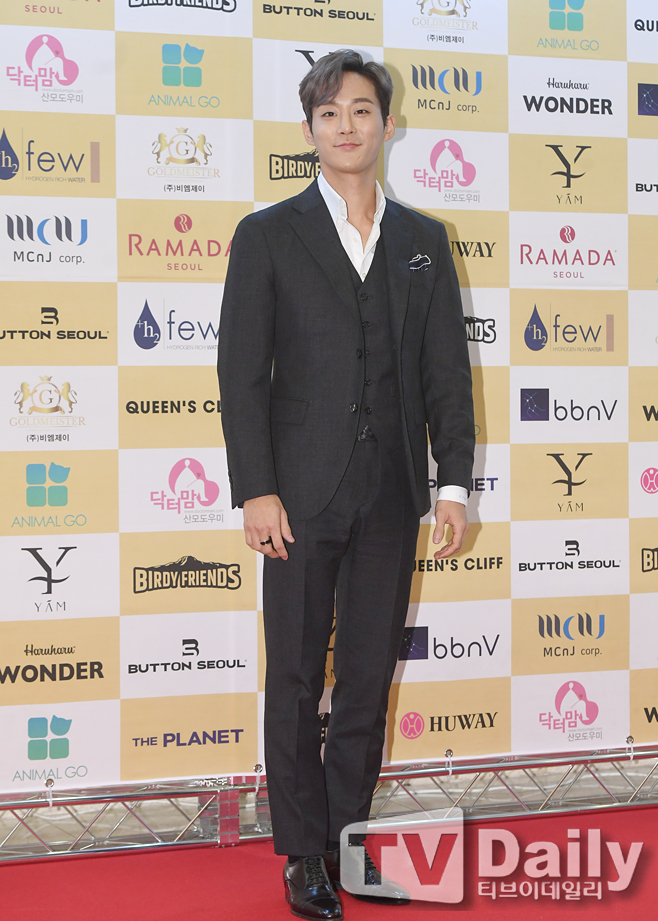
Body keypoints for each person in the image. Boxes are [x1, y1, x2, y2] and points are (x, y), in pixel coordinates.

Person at [217, 49, 474, 920]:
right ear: (309, 131)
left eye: (361, 110)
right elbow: (241, 375)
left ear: (387, 124)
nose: (346, 126)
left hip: (392, 492)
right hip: (297, 495)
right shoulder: (268, 234)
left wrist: (454, 484)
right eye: (328, 113)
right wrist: (255, 487)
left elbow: (446, 373)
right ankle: (302, 855)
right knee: (295, 676)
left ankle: (347, 844)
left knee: (365, 679)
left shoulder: (424, 240)